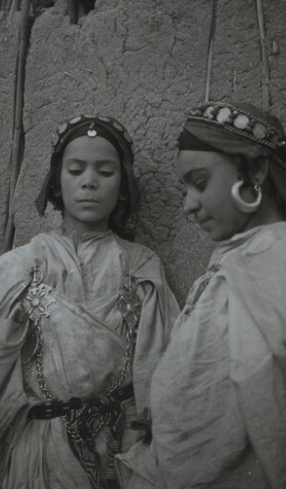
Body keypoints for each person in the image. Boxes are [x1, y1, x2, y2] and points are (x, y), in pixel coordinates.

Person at [116, 100, 286, 488]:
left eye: (200, 183)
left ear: (255, 170)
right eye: (185, 188)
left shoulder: (280, 259)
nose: (189, 205)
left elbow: (274, 413)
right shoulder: (243, 258)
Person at [0, 114, 179, 489]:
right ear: (56, 181)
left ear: (123, 185)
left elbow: (157, 362)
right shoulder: (22, 264)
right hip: (43, 450)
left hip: (121, 444)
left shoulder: (140, 263)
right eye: (76, 170)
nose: (89, 182)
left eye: (105, 171)